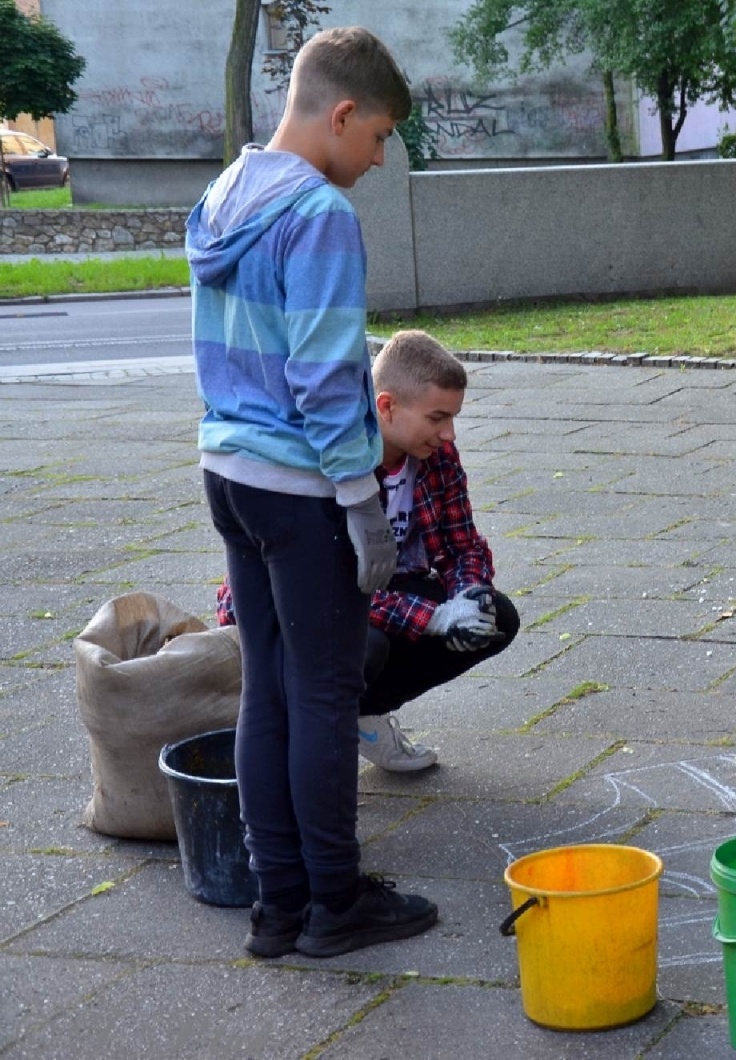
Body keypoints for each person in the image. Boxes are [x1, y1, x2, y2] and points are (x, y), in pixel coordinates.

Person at [188, 26, 437, 961]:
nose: (376, 160)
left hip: (229, 473)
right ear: (341, 113)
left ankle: (274, 905)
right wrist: (360, 500)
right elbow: (326, 377)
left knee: (270, 691)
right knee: (325, 696)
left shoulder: (226, 192)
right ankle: (335, 904)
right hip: (298, 487)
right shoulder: (320, 215)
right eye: (376, 138)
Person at [217, 330, 521, 773]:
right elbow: (329, 588)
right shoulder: (333, 462)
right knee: (362, 645)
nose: (449, 433)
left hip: (374, 588)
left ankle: (363, 715)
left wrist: (470, 594)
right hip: (290, 609)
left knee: (497, 617)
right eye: (437, 417)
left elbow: (462, 544)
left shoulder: (437, 456)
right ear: (386, 406)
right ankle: (307, 744)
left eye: (452, 417)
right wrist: (434, 618)